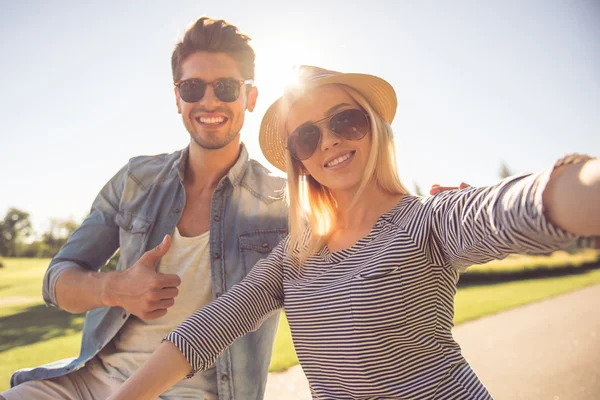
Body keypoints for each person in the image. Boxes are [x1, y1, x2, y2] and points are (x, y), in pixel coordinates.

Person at [107, 65, 600, 400]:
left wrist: (579, 186)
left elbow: (526, 203)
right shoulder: (294, 257)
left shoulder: (428, 220)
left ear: (376, 126)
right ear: (300, 158)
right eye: (307, 135)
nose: (331, 140)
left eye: (345, 120)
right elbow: (206, 330)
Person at [1, 17, 290, 400]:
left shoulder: (282, 201)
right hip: (88, 381)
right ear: (177, 98)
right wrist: (115, 288)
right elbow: (56, 281)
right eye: (192, 88)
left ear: (249, 97)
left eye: (225, 87)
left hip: (195, 392)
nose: (208, 101)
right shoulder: (136, 179)